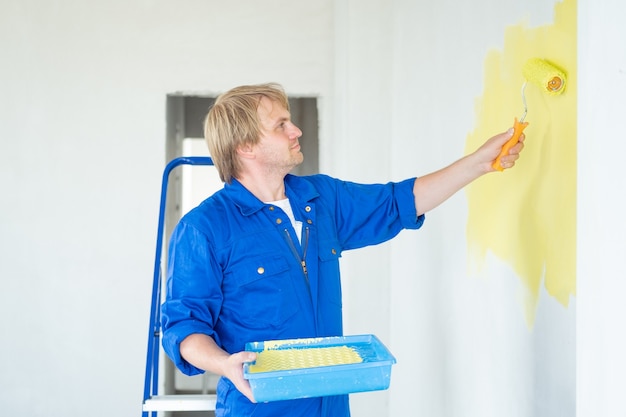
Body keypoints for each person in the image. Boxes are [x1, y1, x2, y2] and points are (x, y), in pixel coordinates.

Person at [161, 83, 524, 417]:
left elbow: (399, 201)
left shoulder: (321, 199)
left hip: (331, 403)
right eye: (281, 125)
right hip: (262, 407)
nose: (295, 131)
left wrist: (480, 162)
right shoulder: (205, 228)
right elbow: (185, 325)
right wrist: (224, 364)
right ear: (245, 146)